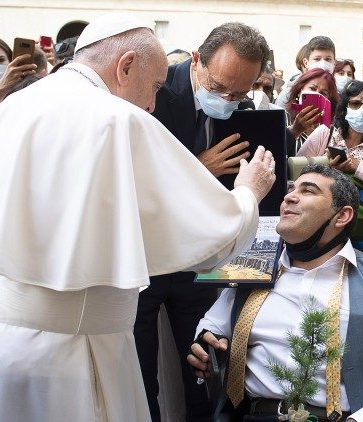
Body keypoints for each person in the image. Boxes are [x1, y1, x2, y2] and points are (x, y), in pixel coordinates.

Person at [0, 15, 276, 422]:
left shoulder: (18, 102)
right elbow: (214, 235)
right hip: (45, 353)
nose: (153, 104)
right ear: (125, 66)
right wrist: (248, 192)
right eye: (156, 85)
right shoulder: (116, 118)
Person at [188, 164, 363, 421]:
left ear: (342, 216)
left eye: (308, 191)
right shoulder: (252, 271)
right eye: (291, 189)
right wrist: (206, 344)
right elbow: (213, 326)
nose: (289, 197)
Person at [146, 22, 270, 422]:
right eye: (219, 88)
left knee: (202, 363)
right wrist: (198, 169)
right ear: (197, 60)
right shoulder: (153, 94)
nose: (229, 99)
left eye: (240, 92)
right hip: (146, 257)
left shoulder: (242, 109)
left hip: (201, 260)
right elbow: (131, 182)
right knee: (140, 368)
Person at [285, 68, 339, 154]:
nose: (317, 94)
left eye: (323, 93)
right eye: (312, 89)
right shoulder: (284, 119)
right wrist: (294, 131)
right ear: (300, 91)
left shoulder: (331, 131)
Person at [275, 36, 336, 108]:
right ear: (306, 63)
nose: (323, 63)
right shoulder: (287, 96)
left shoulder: (337, 95)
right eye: (317, 59)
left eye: (328, 59)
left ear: (334, 63)